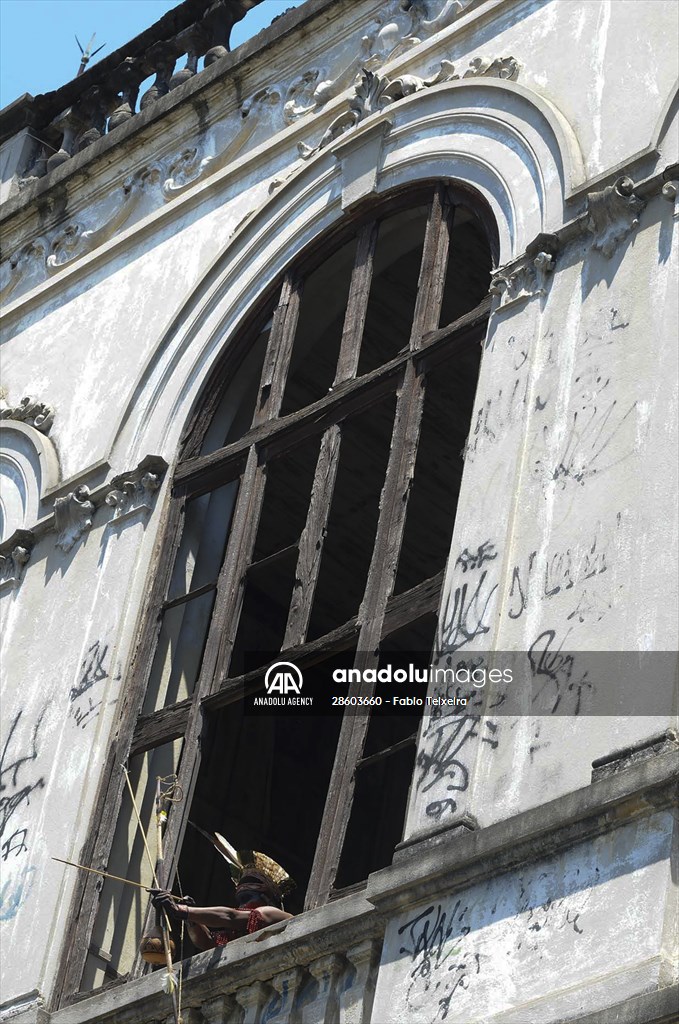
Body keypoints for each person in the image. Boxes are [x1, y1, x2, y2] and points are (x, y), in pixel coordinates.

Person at [150, 868, 293, 951]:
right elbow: (208, 942)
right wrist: (191, 920)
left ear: (268, 899)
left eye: (247, 898)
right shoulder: (238, 932)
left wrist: (182, 910)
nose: (242, 906)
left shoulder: (271, 913)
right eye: (240, 901)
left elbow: (230, 916)